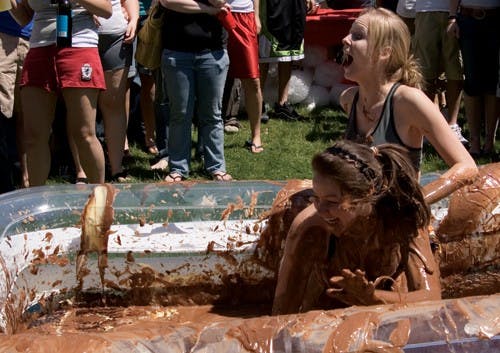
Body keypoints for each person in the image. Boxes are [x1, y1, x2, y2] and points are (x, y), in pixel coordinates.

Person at [272, 140, 442, 314]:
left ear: (365, 194)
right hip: (325, 313)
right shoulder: (309, 227)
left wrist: (372, 298)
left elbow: (432, 298)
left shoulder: (402, 216)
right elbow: (282, 314)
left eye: (332, 201)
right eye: (316, 198)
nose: (320, 210)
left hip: (391, 310)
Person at [338, 6, 477, 205]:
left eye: (358, 36)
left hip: (398, 226)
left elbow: (467, 167)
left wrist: (416, 204)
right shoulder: (349, 100)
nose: (345, 39)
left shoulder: (409, 102)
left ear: (384, 53)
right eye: (350, 33)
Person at [8, 0, 112, 186]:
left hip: (79, 47)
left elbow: (106, 10)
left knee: (84, 134)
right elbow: (24, 17)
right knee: (34, 136)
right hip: (39, 48)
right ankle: (36, 202)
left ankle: (100, 200)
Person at [159, 0, 232, 182]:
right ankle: (178, 168)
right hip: (176, 51)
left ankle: (216, 166)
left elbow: (221, 1)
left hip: (213, 51)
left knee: (212, 113)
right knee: (180, 113)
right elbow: (168, 2)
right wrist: (208, 9)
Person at [448, 0, 500, 160]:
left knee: (493, 84)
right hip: (467, 18)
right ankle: (475, 141)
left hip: (495, 19)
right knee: (472, 82)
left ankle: (490, 141)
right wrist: (452, 17)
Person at [413, 0, 468, 147]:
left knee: (455, 70)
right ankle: (428, 125)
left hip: (457, 12)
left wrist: (453, 15)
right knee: (425, 72)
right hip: (426, 10)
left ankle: (452, 125)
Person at [258, 0, 316, 121]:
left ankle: (282, 104)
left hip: (294, 5)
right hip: (272, 6)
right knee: (265, 54)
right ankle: (258, 102)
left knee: (288, 51)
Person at [222, 0, 264, 153]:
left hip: (244, 16)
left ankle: (256, 136)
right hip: (215, 12)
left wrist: (256, 15)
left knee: (252, 79)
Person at [0, 9, 31, 192]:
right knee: (2, 113)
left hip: (35, 38)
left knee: (28, 116)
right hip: (3, 37)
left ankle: (27, 180)